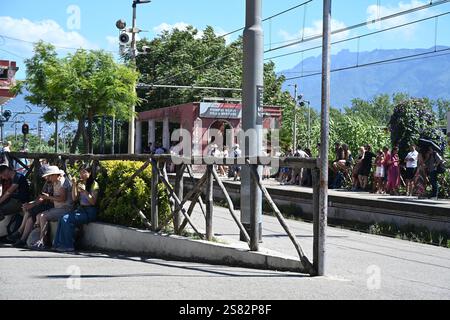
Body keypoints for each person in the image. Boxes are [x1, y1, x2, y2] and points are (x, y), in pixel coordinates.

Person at [53, 167, 99, 252]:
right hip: (81, 210)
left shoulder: (94, 184)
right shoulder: (80, 183)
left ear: (89, 173)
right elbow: (75, 199)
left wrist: (85, 191)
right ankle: (59, 243)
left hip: (89, 212)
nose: (81, 174)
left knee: (66, 218)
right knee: (61, 218)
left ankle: (68, 245)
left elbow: (93, 202)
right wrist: (74, 184)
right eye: (80, 172)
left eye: (84, 172)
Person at [31, 166, 73, 250]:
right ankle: (42, 240)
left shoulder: (62, 182)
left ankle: (42, 241)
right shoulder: (55, 182)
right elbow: (57, 197)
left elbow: (62, 198)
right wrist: (49, 197)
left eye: (50, 175)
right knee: (39, 216)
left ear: (55, 175)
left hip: (65, 209)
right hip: (58, 208)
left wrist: (48, 197)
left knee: (43, 216)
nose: (48, 178)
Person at [9, 173, 54, 247]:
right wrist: (30, 203)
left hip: (50, 206)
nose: (46, 178)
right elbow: (41, 197)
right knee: (29, 218)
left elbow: (52, 199)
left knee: (29, 210)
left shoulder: (56, 184)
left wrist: (32, 204)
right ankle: (22, 239)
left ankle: (20, 231)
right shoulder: (47, 183)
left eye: (47, 176)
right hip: (44, 204)